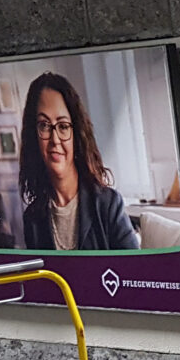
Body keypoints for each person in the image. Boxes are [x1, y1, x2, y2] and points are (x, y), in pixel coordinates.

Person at [19, 72, 137, 251]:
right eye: (44, 125)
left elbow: (136, 273)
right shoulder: (33, 219)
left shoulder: (108, 205)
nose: (55, 139)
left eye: (63, 126)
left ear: (77, 134)